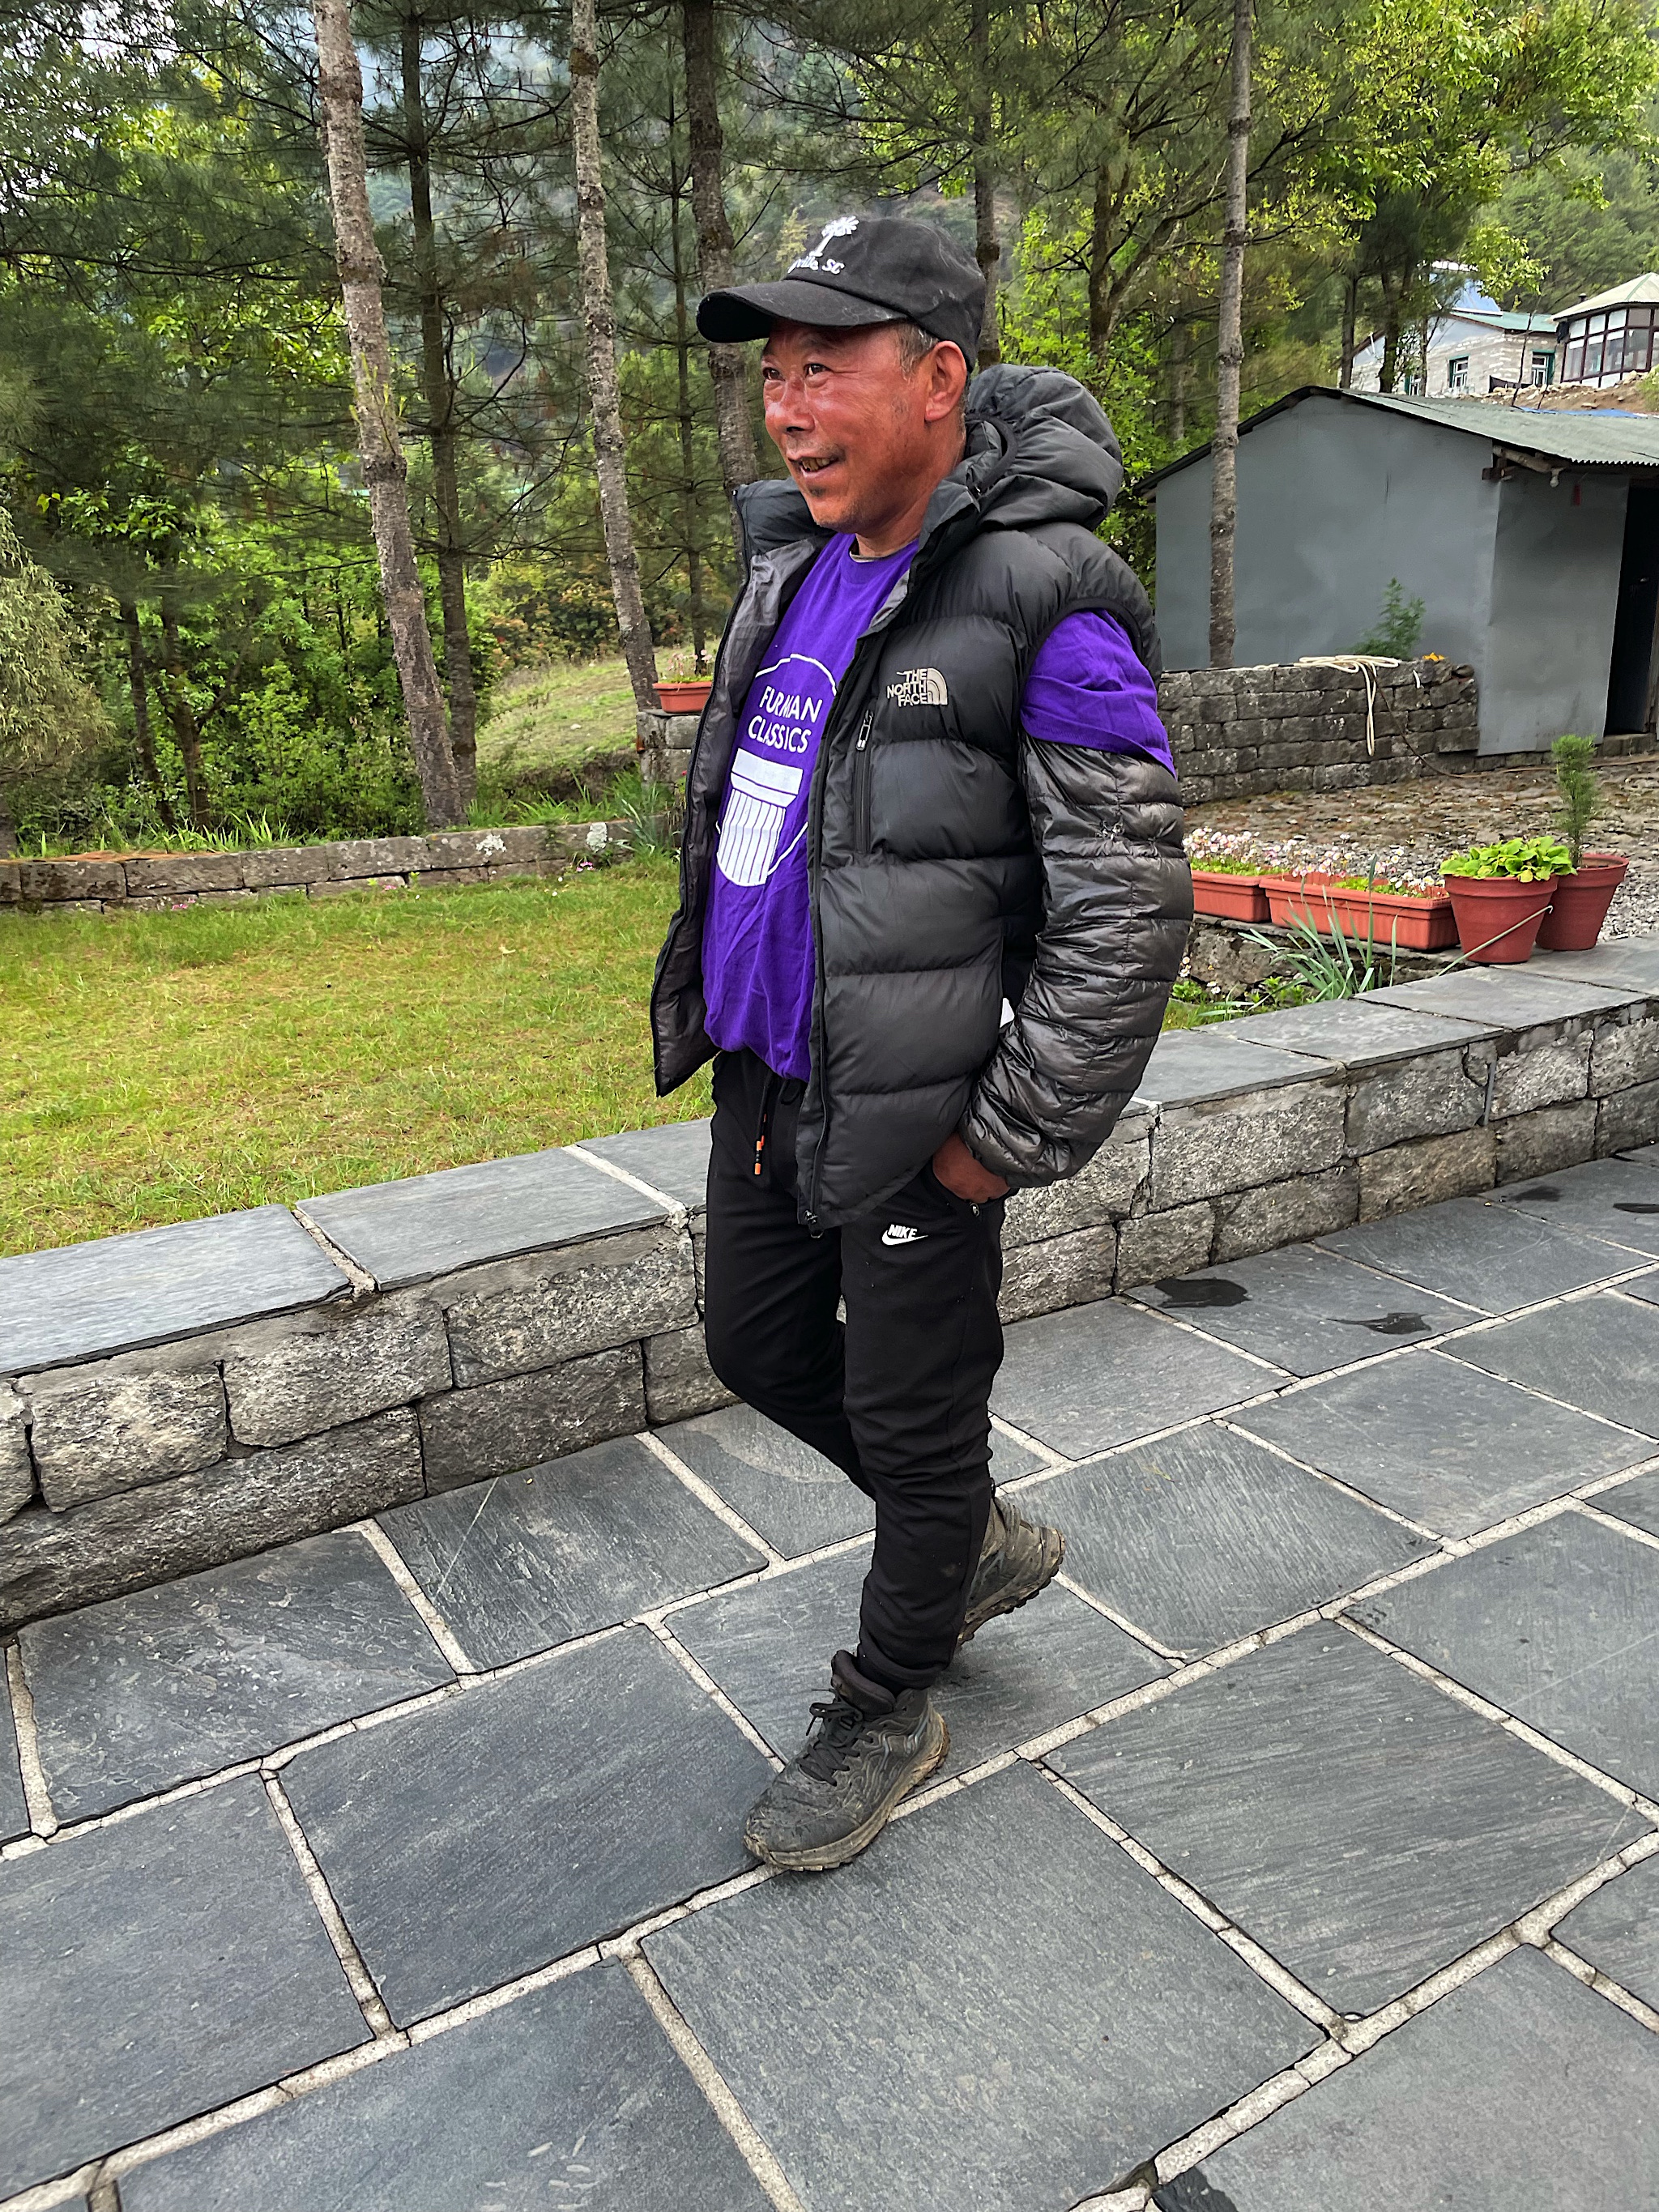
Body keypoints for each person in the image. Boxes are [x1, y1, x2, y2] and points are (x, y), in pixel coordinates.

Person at [651, 214, 1191, 1872]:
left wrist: (999, 1141)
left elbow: (1127, 904)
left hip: (927, 1107)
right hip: (773, 1069)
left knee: (915, 1401)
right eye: (773, 375)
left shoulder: (1049, 599)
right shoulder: (791, 570)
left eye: (827, 368)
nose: (788, 408)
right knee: (754, 1342)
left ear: (940, 377)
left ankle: (890, 1686)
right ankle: (954, 1539)